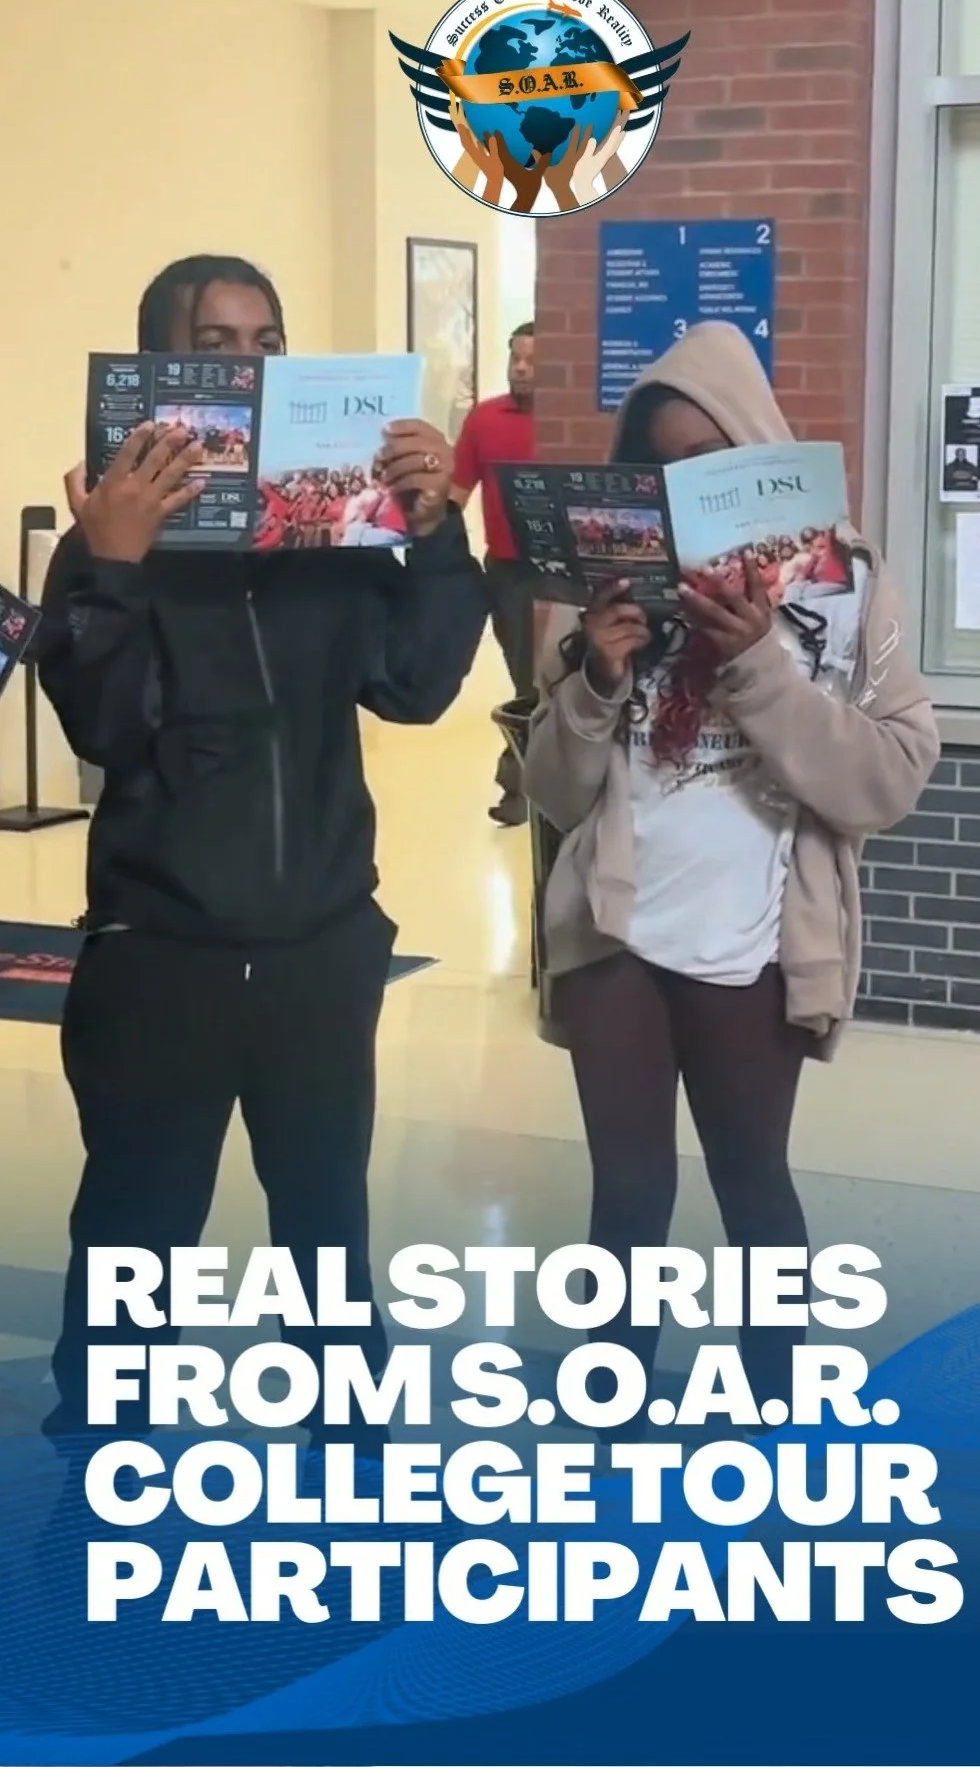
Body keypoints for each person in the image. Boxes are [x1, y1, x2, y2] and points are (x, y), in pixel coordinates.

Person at [38, 252, 488, 1465]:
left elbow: (415, 687)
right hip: (160, 950)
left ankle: (352, 1457)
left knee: (327, 1227)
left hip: (320, 946)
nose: (248, 367)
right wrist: (115, 565)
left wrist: (437, 535)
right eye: (216, 346)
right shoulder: (105, 543)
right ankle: (100, 1464)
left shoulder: (333, 533)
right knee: (134, 1233)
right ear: (154, 374)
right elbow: (105, 730)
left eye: (266, 343)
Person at [522, 321, 939, 1436]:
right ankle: (610, 1434)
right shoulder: (594, 588)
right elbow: (555, 793)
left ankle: (777, 1419)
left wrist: (760, 665)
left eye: (710, 461)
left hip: (758, 938)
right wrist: (595, 678)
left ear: (759, 454)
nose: (684, 490)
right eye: (660, 469)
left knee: (753, 1182)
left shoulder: (845, 582)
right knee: (626, 1198)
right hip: (614, 931)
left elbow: (888, 778)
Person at [452, 321, 536, 826]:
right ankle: (521, 786)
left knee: (545, 682)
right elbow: (456, 495)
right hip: (507, 574)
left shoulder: (572, 422)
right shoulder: (484, 420)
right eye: (514, 358)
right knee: (527, 681)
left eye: (532, 360)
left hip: (564, 573)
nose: (520, 368)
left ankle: (522, 786)